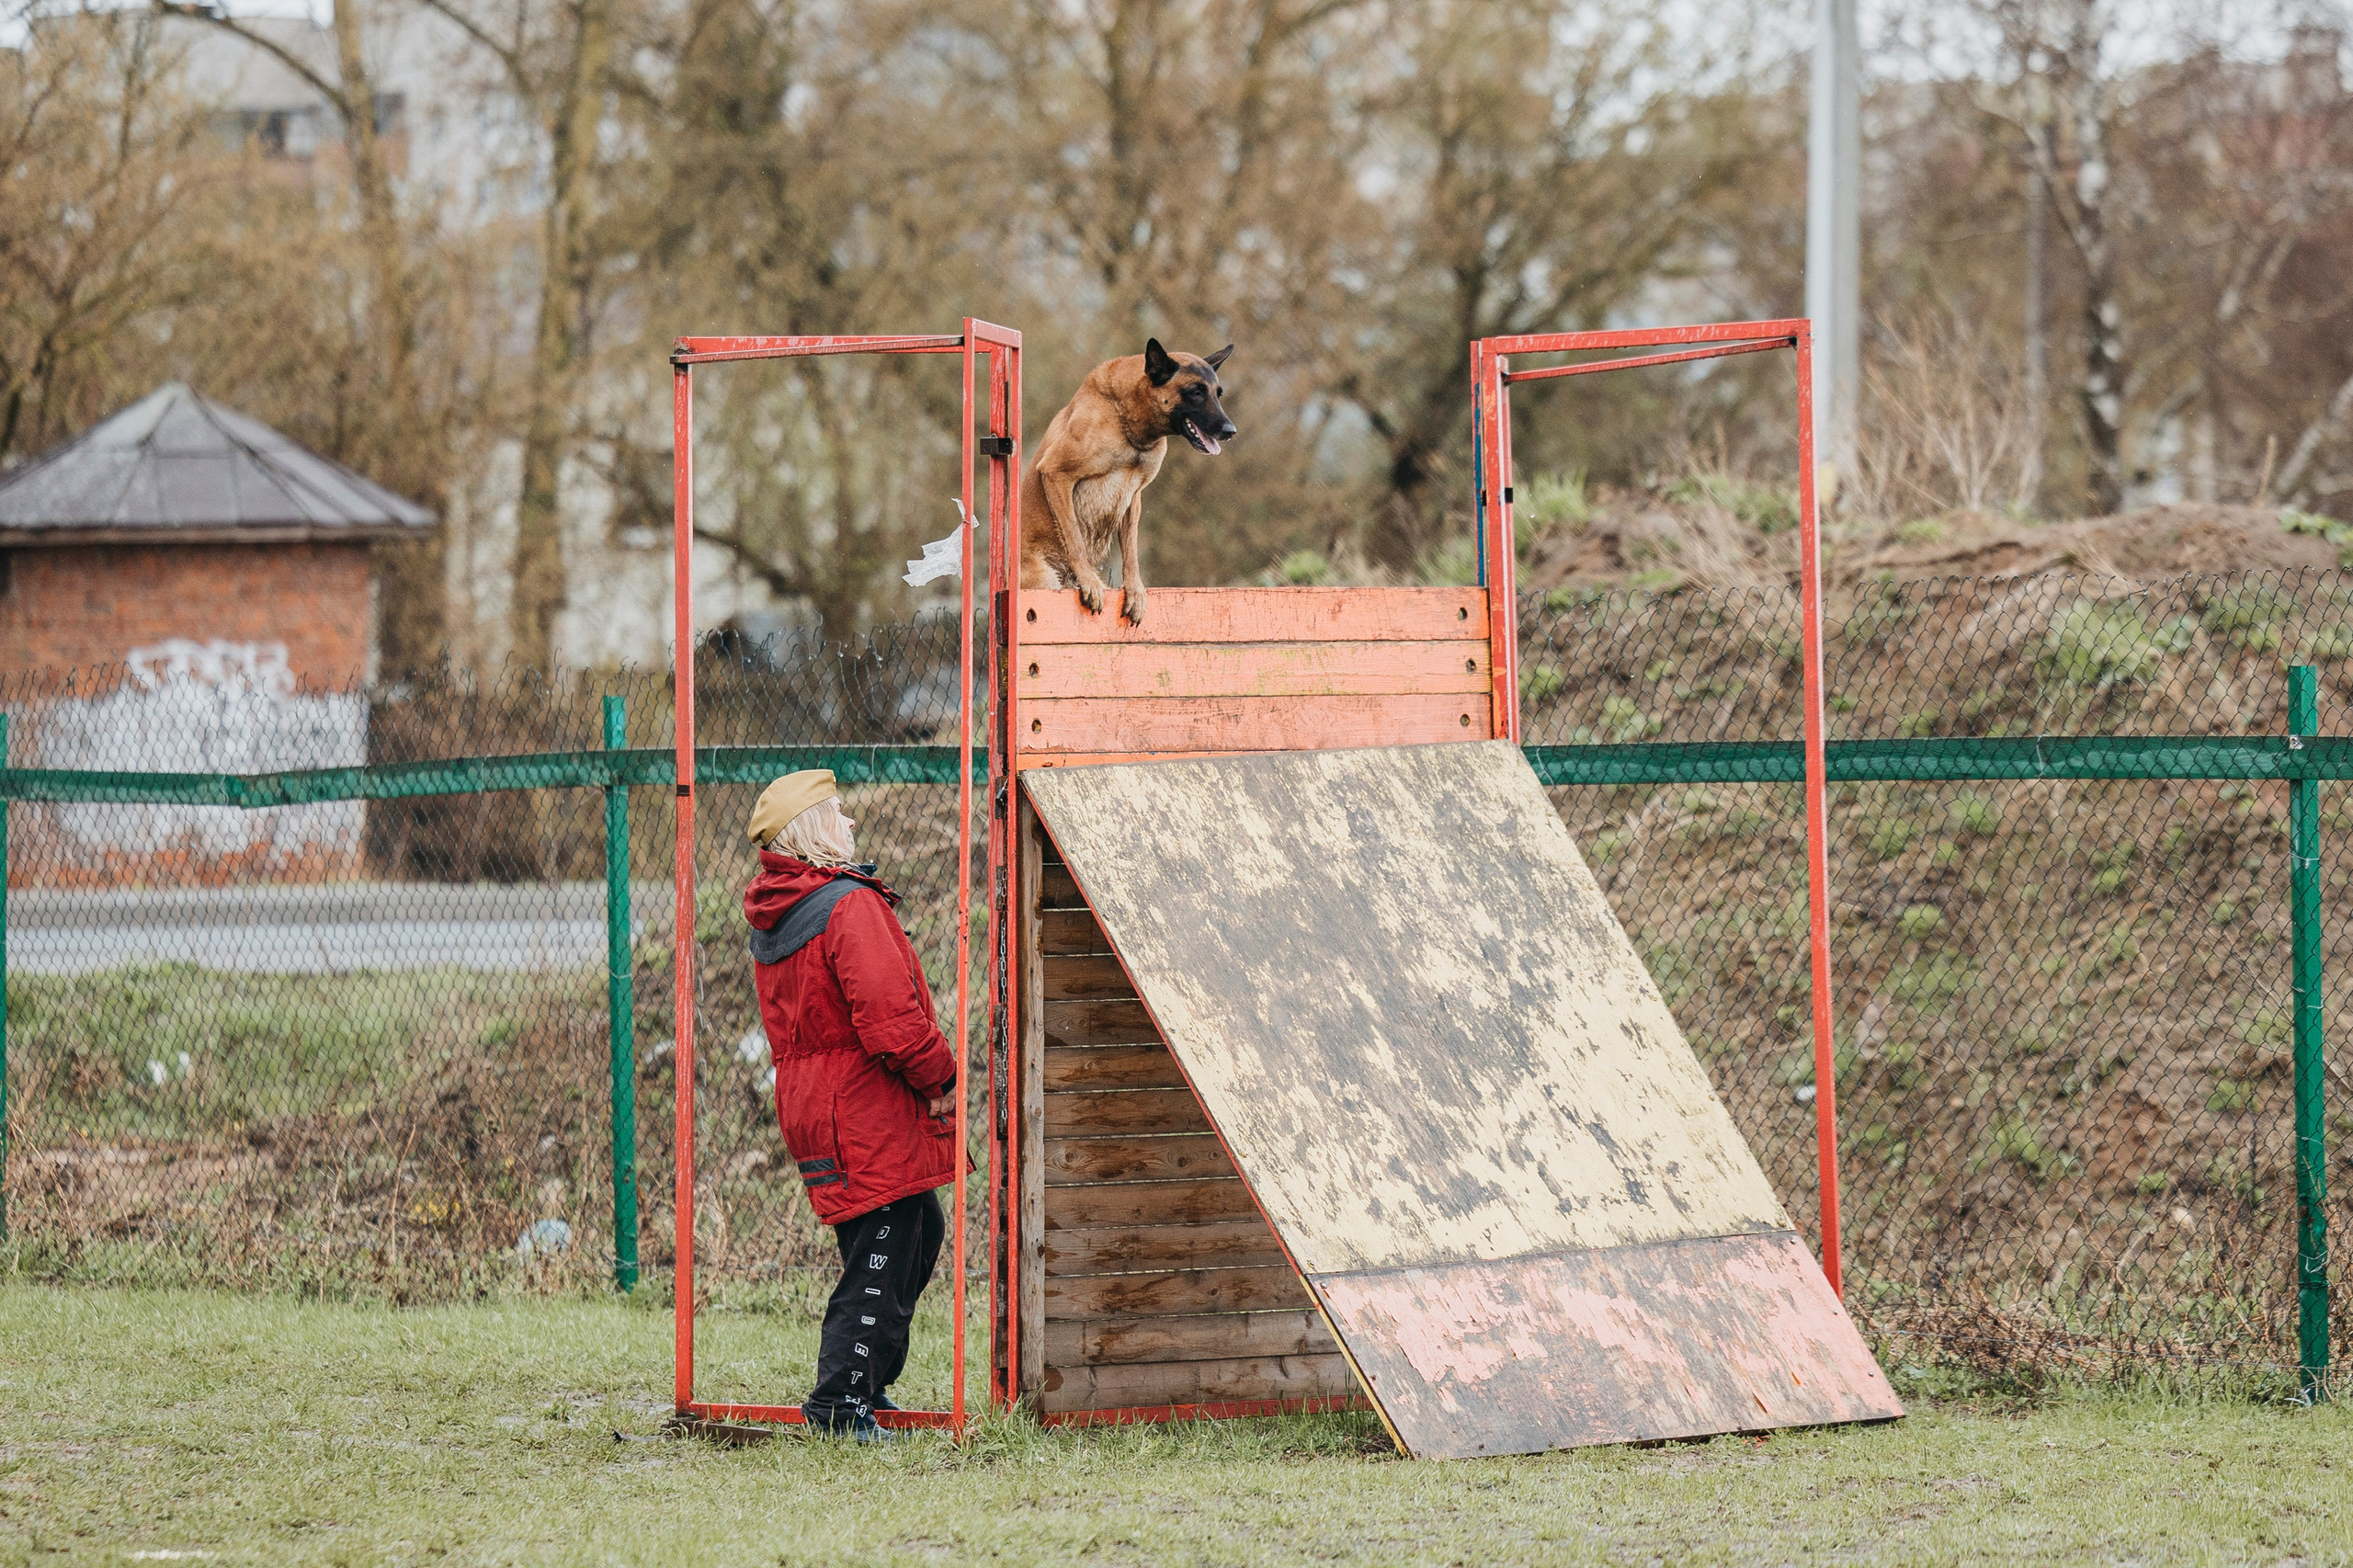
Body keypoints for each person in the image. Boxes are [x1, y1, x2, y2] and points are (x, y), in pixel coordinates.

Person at [744, 769, 959, 1441]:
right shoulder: (846, 906)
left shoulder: (784, 910)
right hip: (863, 1108)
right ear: (811, 830)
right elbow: (891, 1019)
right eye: (837, 812)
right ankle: (839, 1403)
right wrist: (940, 1077)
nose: (851, 822)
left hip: (819, 1107)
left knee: (915, 1231)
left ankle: (866, 1387)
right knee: (883, 1250)